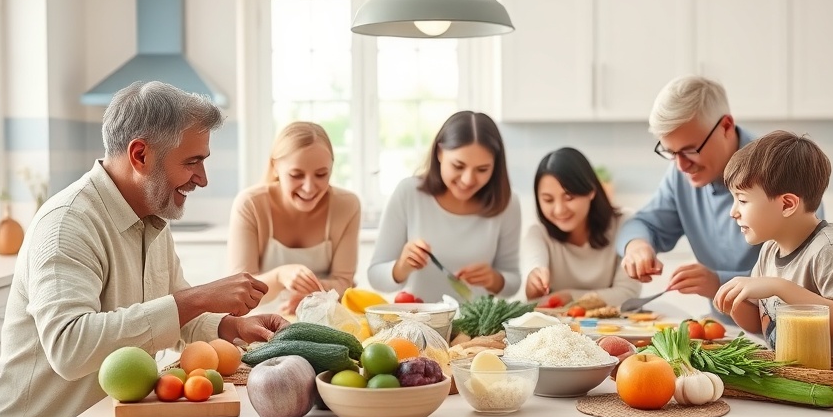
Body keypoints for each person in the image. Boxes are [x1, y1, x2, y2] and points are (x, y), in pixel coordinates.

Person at [0, 81, 287, 417]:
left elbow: (178, 315)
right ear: (141, 154)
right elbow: (70, 348)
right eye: (192, 161)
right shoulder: (68, 225)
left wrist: (232, 326)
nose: (203, 178)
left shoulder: (153, 216)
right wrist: (198, 297)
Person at [616, 75, 822, 320]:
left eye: (690, 150)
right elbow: (643, 224)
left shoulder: (779, 168)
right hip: (731, 327)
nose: (681, 165)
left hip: (783, 329)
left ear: (725, 126)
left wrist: (718, 282)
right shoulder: (681, 175)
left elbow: (799, 275)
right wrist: (637, 246)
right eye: (671, 152)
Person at [714, 130, 833, 359]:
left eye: (742, 200)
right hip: (802, 386)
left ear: (787, 205)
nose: (733, 212)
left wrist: (781, 287)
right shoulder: (770, 250)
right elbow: (760, 324)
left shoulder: (828, 252)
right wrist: (736, 303)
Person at [368, 111, 521, 302]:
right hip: (418, 320)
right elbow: (375, 276)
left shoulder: (507, 202)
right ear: (439, 152)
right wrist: (401, 267)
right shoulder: (408, 193)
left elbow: (513, 282)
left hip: (479, 327)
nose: (468, 180)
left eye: (482, 169)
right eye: (458, 166)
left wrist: (494, 279)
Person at [228, 122, 360, 316]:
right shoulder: (250, 204)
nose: (309, 187)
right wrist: (281, 275)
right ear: (275, 167)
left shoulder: (347, 205)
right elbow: (237, 291)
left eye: (321, 174)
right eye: (296, 175)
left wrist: (309, 299)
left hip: (323, 322)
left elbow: (344, 283)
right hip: (257, 325)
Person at [522, 147, 641, 307]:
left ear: (591, 190)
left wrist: (569, 297)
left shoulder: (625, 224)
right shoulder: (538, 234)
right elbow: (534, 273)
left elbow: (627, 294)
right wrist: (533, 283)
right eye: (548, 200)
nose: (559, 210)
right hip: (559, 328)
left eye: (569, 197)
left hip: (615, 327)